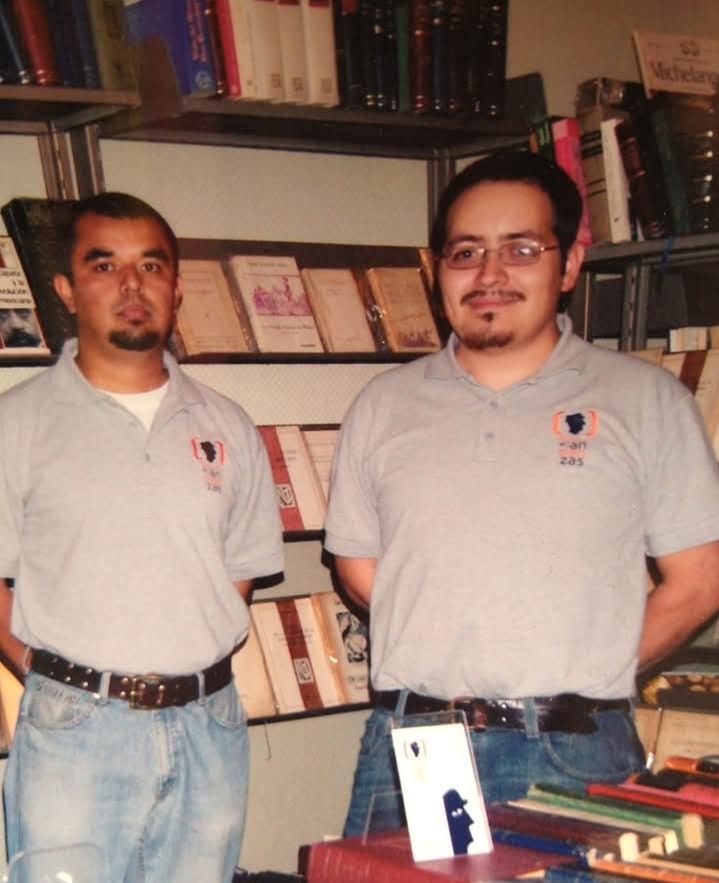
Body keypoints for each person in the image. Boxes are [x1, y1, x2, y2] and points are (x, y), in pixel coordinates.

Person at [323, 151, 719, 837]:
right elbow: (361, 567)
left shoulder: (644, 400)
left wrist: (582, 671)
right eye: (466, 252)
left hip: (569, 748)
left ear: (567, 265)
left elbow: (698, 579)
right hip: (417, 746)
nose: (489, 275)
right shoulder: (382, 405)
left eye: (521, 249)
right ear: (435, 268)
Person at [0, 192, 284, 882]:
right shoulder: (17, 423)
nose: (132, 285)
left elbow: (237, 571)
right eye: (105, 265)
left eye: (151, 266)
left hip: (208, 726)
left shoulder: (227, 424)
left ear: (176, 286)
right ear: (66, 290)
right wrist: (54, 680)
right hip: (76, 727)